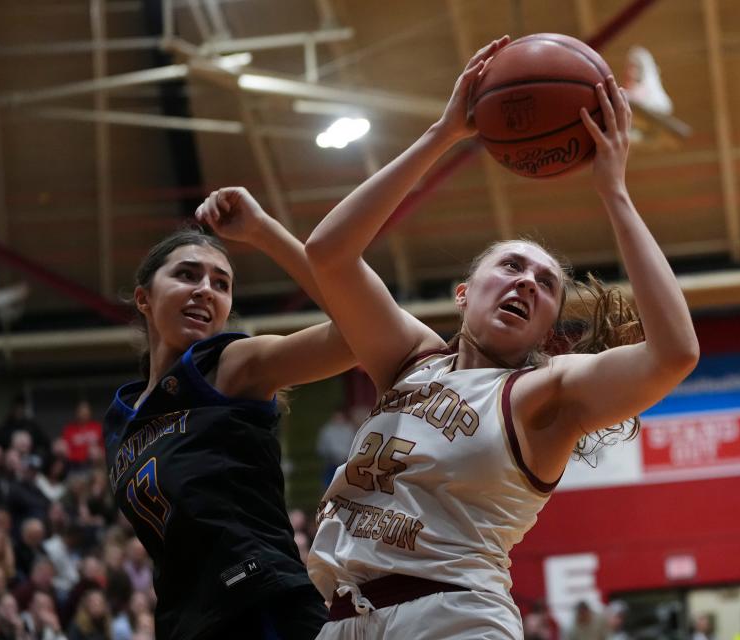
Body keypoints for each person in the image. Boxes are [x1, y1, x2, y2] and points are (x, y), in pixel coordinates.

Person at [303, 36, 699, 639]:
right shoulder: (410, 360)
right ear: (465, 293)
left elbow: (675, 353)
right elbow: (328, 254)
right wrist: (443, 134)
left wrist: (613, 192)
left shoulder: (542, 395)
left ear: (547, 327)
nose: (528, 283)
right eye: (510, 266)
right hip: (341, 620)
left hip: (454, 616)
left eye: (546, 284)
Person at [103, 188, 356, 640]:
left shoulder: (231, 365)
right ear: (143, 298)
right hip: (187, 623)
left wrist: (263, 232)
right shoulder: (123, 418)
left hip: (263, 607)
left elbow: (363, 327)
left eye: (221, 283)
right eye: (187, 274)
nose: (205, 289)